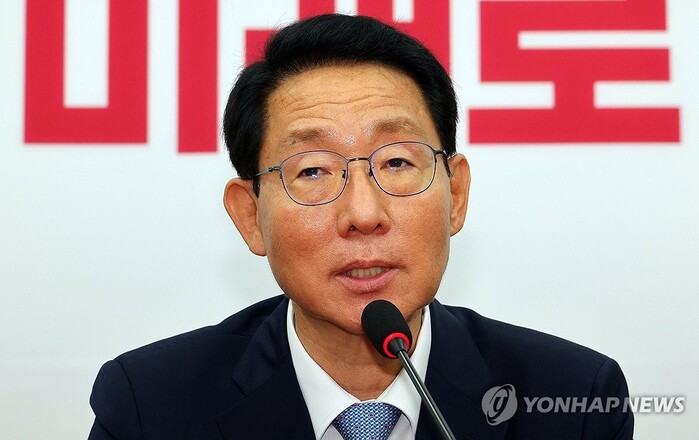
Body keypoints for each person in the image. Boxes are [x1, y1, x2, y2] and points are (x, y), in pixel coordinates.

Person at [88, 14, 634, 440]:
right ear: (250, 216)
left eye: (396, 161)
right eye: (312, 171)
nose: (364, 214)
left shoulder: (574, 400)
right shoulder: (149, 407)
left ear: (456, 195)